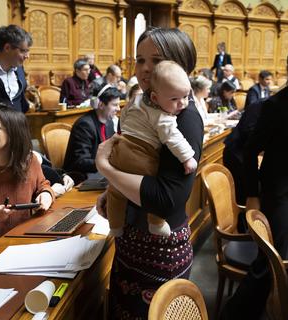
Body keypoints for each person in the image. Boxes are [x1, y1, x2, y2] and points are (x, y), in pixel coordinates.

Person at [95, 27, 204, 319]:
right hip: (131, 240)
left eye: (155, 61)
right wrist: (110, 190)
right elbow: (130, 159)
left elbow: (166, 199)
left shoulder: (185, 117)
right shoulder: (143, 102)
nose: (144, 69)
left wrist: (105, 169)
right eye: (139, 60)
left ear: (179, 64)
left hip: (160, 251)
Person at [221, 43, 288, 320]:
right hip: (281, 189)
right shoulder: (275, 105)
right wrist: (253, 194)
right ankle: (236, 315)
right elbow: (249, 151)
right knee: (270, 258)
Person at [107, 60, 197, 238]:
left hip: (120, 149)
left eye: (186, 96)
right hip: (142, 155)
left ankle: (115, 227)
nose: (183, 104)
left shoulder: (137, 99)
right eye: (175, 99)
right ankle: (156, 222)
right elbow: (173, 137)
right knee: (155, 183)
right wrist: (187, 158)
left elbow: (123, 115)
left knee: (115, 192)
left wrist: (125, 131)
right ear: (155, 98)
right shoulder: (163, 115)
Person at [0, 103, 55, 242]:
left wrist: (46, 194)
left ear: (13, 132)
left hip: (26, 241)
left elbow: (43, 185)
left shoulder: (30, 161)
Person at [63, 85, 119, 182]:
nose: (118, 108)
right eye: (114, 105)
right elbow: (80, 162)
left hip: (99, 173)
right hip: (80, 177)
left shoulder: (109, 122)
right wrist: (109, 163)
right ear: (100, 104)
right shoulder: (85, 125)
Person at [222, 101, 263, 205]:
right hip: (236, 153)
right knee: (242, 196)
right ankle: (242, 220)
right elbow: (250, 135)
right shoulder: (259, 106)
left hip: (248, 154)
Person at [0, 24, 32, 113]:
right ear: (7, 48)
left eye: (28, 51)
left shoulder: (19, 68)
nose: (27, 56)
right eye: (23, 51)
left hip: (17, 124)